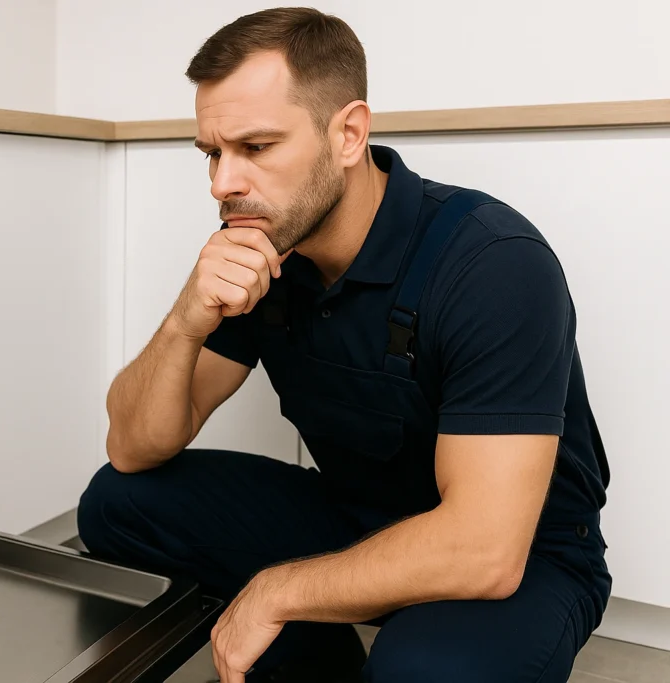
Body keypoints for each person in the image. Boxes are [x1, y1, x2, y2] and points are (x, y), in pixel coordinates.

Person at [77, 7, 612, 683]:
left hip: (524, 553)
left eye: (257, 147)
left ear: (349, 134)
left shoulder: (494, 263)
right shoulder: (266, 246)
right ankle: (315, 661)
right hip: (358, 517)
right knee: (116, 502)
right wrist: (187, 316)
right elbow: (132, 445)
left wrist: (276, 590)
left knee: (420, 670)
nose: (222, 184)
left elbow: (484, 549)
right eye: (213, 153)